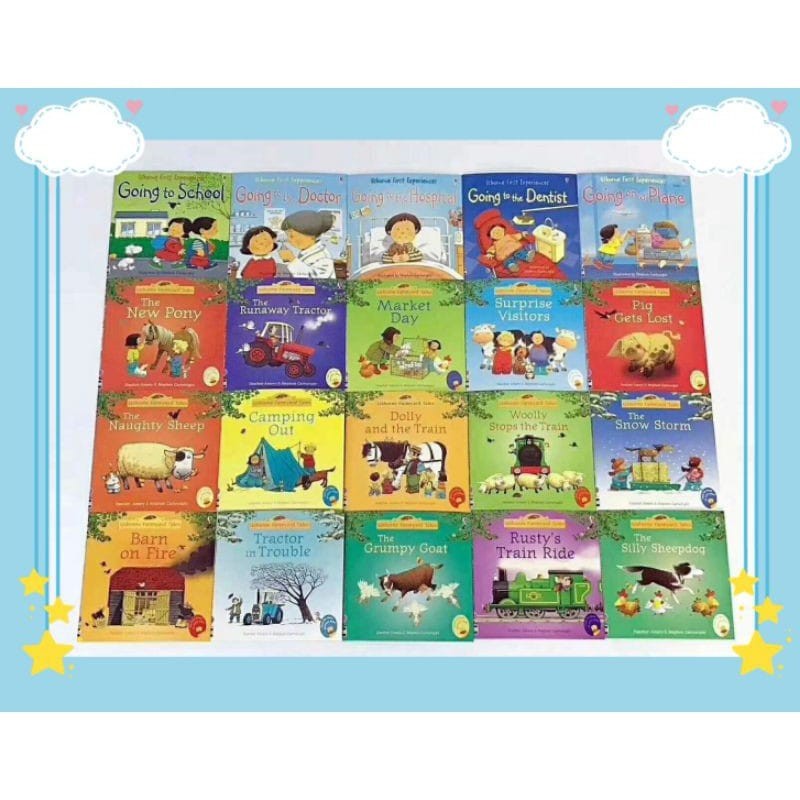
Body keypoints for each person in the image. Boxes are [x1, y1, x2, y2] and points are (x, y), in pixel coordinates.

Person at [279, 210, 336, 278]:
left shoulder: (324, 257)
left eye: (292, 236)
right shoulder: (306, 252)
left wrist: (292, 259)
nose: (289, 240)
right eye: (288, 236)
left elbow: (314, 279)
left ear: (310, 235)